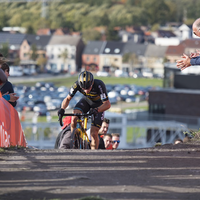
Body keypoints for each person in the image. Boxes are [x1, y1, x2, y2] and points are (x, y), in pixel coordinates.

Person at [58, 71, 111, 150]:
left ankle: (94, 155)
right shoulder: (76, 85)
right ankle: (74, 140)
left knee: (93, 133)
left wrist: (97, 110)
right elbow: (68, 98)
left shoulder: (99, 85)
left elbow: (107, 104)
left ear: (92, 83)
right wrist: (62, 109)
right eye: (83, 89)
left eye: (88, 88)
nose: (86, 91)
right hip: (86, 101)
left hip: (99, 105)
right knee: (74, 117)